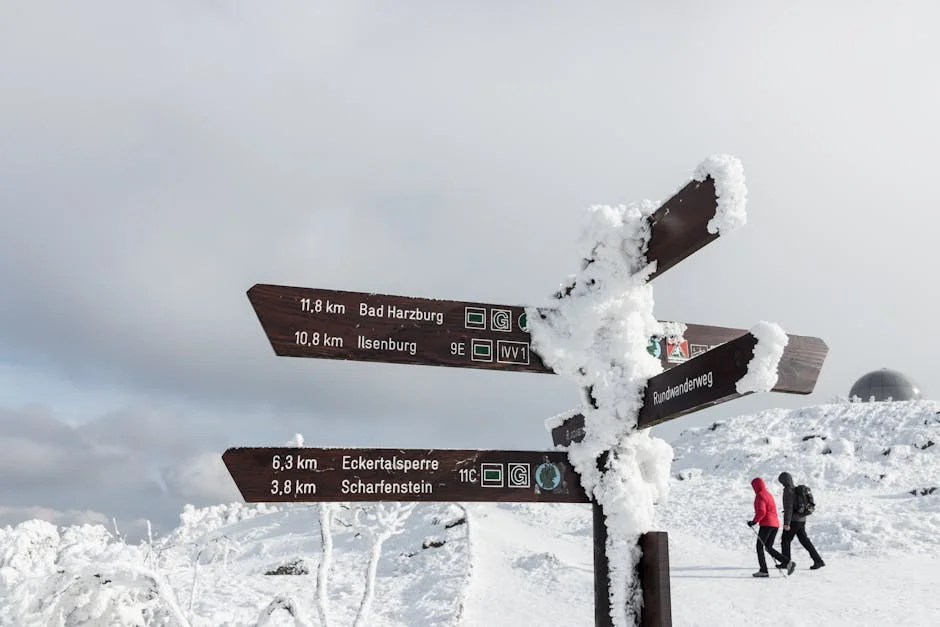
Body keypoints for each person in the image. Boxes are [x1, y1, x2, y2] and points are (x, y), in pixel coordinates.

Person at [777, 471, 825, 570]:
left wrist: (786, 523)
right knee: (805, 541)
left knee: (785, 540)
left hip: (793, 520)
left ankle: (786, 562)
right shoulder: (796, 489)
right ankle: (818, 560)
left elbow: (788, 508)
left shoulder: (788, 490)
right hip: (802, 519)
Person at [748, 477, 795, 577]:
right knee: (768, 547)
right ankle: (787, 562)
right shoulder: (768, 494)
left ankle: (763, 570)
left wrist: (754, 521)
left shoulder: (760, 495)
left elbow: (762, 511)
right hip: (775, 525)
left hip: (766, 524)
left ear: (756, 486)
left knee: (759, 547)